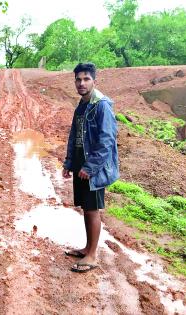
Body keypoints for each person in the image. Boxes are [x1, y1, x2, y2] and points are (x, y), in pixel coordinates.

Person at [62, 63, 119, 273]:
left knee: (93, 210)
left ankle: (92, 256)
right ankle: (87, 248)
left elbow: (107, 141)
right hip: (80, 164)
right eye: (78, 79)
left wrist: (91, 166)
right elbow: (74, 136)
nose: (81, 83)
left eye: (86, 79)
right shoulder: (82, 105)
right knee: (86, 208)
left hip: (91, 168)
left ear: (94, 80)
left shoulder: (101, 105)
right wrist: (69, 163)